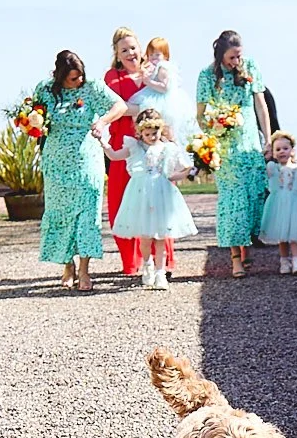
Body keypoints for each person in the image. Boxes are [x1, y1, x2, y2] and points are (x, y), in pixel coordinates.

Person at [36, 50, 132, 291]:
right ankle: (67, 265)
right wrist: (32, 126)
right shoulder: (45, 90)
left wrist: (102, 121)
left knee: (87, 213)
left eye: (79, 76)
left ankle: (84, 270)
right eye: (72, 78)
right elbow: (34, 117)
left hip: (87, 160)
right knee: (61, 213)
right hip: (56, 162)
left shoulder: (92, 88)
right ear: (60, 76)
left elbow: (119, 105)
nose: (78, 81)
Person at [196, 30, 271, 277]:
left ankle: (247, 246)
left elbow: (261, 104)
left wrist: (267, 139)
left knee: (254, 195)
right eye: (232, 57)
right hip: (225, 146)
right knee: (233, 200)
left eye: (239, 56)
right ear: (220, 54)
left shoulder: (251, 67)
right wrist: (212, 130)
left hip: (250, 141)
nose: (236, 61)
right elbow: (200, 114)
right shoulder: (207, 76)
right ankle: (235, 258)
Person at [104, 108, 197, 290]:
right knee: (145, 237)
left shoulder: (167, 148)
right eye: (147, 134)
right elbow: (114, 156)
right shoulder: (134, 148)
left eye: (155, 133)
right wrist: (103, 143)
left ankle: (160, 272)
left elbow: (177, 171)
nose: (152, 137)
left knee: (161, 236)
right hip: (141, 194)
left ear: (160, 130)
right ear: (140, 133)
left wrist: (190, 169)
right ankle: (147, 264)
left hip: (161, 194)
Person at [130, 36, 187, 278]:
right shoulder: (153, 67)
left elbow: (164, 88)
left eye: (158, 54)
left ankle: (161, 267)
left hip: (162, 102)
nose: (154, 58)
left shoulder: (164, 69)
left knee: (163, 135)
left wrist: (146, 81)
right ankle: (148, 265)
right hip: (146, 182)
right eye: (151, 54)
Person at [102, 29, 146, 279]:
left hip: (152, 143)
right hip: (123, 144)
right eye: (124, 50)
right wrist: (146, 108)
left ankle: (158, 258)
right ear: (117, 56)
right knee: (121, 201)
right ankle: (130, 260)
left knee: (154, 201)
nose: (131, 53)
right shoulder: (113, 77)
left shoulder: (153, 74)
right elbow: (116, 107)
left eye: (133, 48)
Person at [257, 130, 297, 274]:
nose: (282, 152)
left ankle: (296, 260)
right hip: (278, 204)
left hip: (294, 205)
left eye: (285, 148)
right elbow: (264, 171)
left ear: (292, 150)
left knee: (293, 233)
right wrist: (266, 156)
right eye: (278, 149)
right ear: (274, 152)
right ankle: (284, 261)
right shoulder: (273, 168)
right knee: (281, 235)